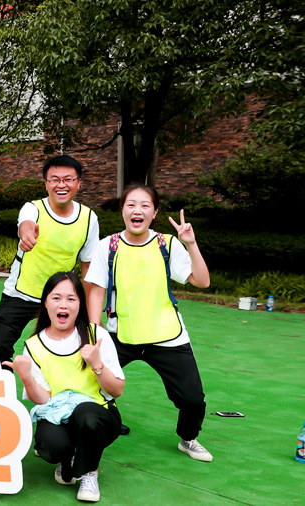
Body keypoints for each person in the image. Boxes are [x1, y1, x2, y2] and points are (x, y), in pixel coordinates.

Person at [83, 185, 213, 462]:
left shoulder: (167, 243)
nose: (137, 210)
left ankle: (188, 438)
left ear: (154, 213)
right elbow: (96, 289)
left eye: (145, 205)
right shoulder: (108, 246)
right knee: (88, 384)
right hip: (120, 335)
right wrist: (94, 330)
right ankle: (103, 425)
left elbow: (202, 281)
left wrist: (191, 243)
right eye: (131, 204)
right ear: (122, 210)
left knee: (192, 400)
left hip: (168, 335)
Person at [6, 272, 124, 503]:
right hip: (58, 415)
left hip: (99, 416)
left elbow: (117, 390)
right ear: (45, 302)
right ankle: (68, 459)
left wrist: (97, 364)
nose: (63, 305)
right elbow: (43, 399)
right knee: (50, 446)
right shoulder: (34, 345)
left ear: (80, 304)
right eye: (56, 298)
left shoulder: (96, 335)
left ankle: (89, 472)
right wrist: (27, 378)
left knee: (86, 413)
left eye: (71, 299)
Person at [0, 155, 99, 367]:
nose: (61, 185)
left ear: (78, 183)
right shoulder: (32, 208)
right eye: (55, 179)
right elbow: (26, 225)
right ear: (46, 184)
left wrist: (89, 311)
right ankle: (2, 386)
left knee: (70, 351)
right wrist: (27, 235)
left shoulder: (88, 218)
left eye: (68, 179)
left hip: (61, 299)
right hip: (20, 293)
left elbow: (88, 267)